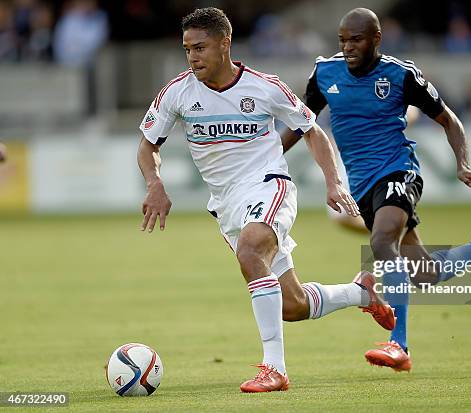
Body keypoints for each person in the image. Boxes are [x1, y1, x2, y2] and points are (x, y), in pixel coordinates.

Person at [137, 7, 396, 393]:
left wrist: (333, 182)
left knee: (250, 250)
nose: (192, 57)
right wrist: (154, 182)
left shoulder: (263, 86)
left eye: (200, 48)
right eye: (187, 49)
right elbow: (147, 144)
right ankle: (361, 292)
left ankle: (274, 368)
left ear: (225, 44)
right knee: (291, 305)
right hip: (226, 204)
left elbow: (310, 129)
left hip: (268, 185)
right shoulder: (178, 92)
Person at [282, 8, 471, 373]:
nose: (347, 47)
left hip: (399, 169)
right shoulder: (324, 72)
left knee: (381, 243)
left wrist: (462, 163)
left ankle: (400, 345)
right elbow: (301, 124)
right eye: (342, 40)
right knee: (424, 273)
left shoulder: (401, 75)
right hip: (362, 186)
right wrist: (266, 158)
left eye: (356, 40)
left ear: (376, 39)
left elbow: (448, 120)